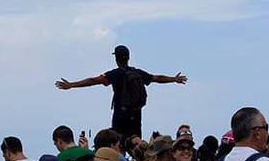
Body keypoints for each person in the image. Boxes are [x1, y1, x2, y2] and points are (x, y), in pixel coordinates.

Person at [54, 45, 187, 140]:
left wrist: (71, 85)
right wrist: (174, 79)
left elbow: (93, 80)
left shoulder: (115, 74)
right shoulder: (138, 72)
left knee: (117, 142)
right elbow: (157, 78)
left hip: (120, 114)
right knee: (136, 142)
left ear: (116, 58)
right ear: (128, 58)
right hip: (136, 113)